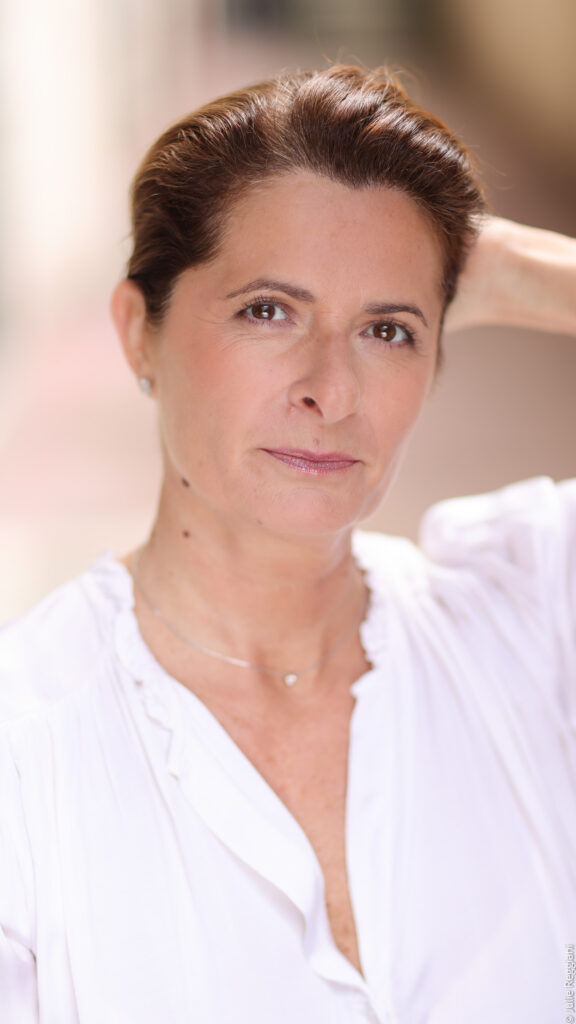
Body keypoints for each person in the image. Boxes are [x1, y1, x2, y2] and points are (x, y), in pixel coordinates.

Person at [0, 65, 574, 1024]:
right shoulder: (25, 752)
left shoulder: (529, 615)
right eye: (268, 310)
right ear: (138, 333)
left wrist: (520, 270)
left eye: (388, 330)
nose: (332, 390)